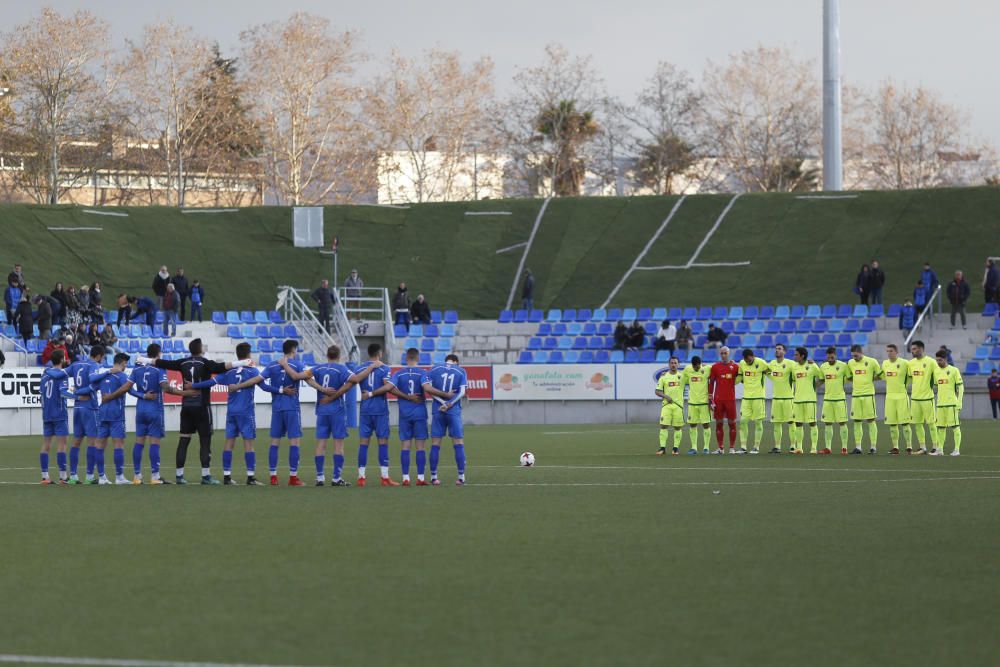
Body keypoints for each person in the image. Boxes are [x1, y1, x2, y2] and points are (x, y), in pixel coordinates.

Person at [142, 338, 251, 484]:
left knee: (184, 440)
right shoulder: (205, 363)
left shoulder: (182, 362)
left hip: (186, 406)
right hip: (202, 406)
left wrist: (144, 359)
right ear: (200, 349)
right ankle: (206, 476)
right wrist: (242, 363)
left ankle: (179, 476)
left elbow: (162, 363)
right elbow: (222, 367)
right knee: (205, 440)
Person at [308, 345, 378, 486]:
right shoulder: (341, 369)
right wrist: (371, 368)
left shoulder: (318, 368)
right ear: (339, 356)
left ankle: (320, 478)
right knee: (338, 444)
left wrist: (321, 389)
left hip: (322, 410)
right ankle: (336, 478)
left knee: (321, 443)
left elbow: (305, 377)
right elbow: (355, 379)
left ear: (327, 355)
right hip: (337, 411)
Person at [129, 344, 195, 484]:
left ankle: (137, 476)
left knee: (139, 442)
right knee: (154, 442)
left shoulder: (137, 368)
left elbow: (128, 389)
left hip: (140, 408)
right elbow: (165, 387)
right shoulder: (159, 367)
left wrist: (142, 395)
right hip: (154, 408)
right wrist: (184, 393)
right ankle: (155, 476)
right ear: (158, 355)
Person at [390, 348, 447, 485]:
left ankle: (405, 478)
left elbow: (390, 388)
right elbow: (427, 388)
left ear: (406, 358)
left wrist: (406, 397)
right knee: (420, 446)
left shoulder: (398, 373)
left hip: (404, 413)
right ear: (418, 358)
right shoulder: (423, 373)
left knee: (405, 446)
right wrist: (445, 395)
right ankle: (420, 478)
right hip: (419, 413)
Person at [260, 340, 311, 486]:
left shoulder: (272, 365)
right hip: (292, 408)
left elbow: (261, 383)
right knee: (294, 442)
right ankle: (293, 477)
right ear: (294, 350)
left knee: (274, 442)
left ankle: (273, 477)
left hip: (277, 408)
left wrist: (278, 390)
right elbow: (306, 379)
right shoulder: (297, 365)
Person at [92, 353, 136, 485]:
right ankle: (119, 477)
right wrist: (144, 395)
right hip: (116, 415)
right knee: (118, 445)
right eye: (126, 363)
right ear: (122, 363)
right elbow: (131, 391)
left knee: (99, 445)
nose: (126, 366)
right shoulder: (122, 376)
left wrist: (76, 393)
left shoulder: (104, 375)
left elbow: (91, 388)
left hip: (102, 413)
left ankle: (101, 477)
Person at [355, 343, 395, 486]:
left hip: (365, 410)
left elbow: (354, 381)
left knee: (363, 443)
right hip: (380, 410)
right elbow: (387, 386)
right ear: (380, 353)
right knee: (383, 442)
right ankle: (384, 478)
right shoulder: (384, 368)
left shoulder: (360, 368)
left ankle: (361, 477)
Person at [66, 345, 106, 484]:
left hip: (77, 407)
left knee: (76, 442)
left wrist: (72, 391)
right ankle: (89, 476)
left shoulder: (76, 364)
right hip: (89, 406)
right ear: (99, 356)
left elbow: (63, 374)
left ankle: (73, 476)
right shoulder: (94, 365)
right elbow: (93, 381)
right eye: (103, 357)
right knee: (93, 442)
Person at [428, 354, 468, 485]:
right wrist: (449, 404)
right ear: (456, 362)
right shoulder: (461, 371)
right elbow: (462, 392)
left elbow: (429, 389)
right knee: (458, 443)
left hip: (438, 410)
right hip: (453, 410)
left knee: (435, 444)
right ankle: (461, 477)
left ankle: (434, 477)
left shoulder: (435, 369)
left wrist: (442, 403)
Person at [39, 350, 75, 485]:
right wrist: (77, 397)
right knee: (62, 445)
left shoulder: (44, 375)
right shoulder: (62, 375)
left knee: (46, 444)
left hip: (46, 414)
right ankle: (63, 477)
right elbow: (63, 393)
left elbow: (41, 393)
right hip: (59, 414)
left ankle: (45, 477)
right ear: (62, 359)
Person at [846, 344, 883, 454]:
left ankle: (873, 447)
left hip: (868, 395)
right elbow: (849, 377)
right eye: (853, 356)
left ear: (861, 352)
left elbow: (880, 375)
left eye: (856, 356)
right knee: (857, 421)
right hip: (856, 395)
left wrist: (869, 379)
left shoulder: (872, 361)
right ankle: (858, 447)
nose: (854, 358)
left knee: (870, 420)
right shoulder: (850, 363)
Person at [907, 340, 938, 455]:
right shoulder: (910, 363)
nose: (912, 351)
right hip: (915, 399)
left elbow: (937, 377)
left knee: (931, 423)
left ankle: (935, 446)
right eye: (912, 349)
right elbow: (910, 379)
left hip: (927, 398)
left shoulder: (931, 362)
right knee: (917, 424)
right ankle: (922, 447)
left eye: (914, 349)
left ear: (921, 349)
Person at [931, 350, 963, 457]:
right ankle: (940, 449)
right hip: (940, 404)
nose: (938, 362)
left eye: (940, 360)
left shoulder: (954, 370)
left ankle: (957, 449)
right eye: (937, 360)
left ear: (945, 359)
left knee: (955, 427)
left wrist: (959, 401)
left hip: (951, 404)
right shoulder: (936, 371)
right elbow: (937, 385)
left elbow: (961, 387)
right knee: (940, 428)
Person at [882, 344, 913, 455]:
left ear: (896, 351)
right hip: (889, 396)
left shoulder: (905, 363)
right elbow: (883, 376)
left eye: (891, 351)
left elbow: (911, 376)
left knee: (905, 423)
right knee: (892, 423)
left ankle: (909, 446)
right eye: (887, 351)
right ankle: (895, 447)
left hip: (901, 396)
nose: (889, 353)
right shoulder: (885, 364)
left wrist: (905, 386)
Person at [790, 347, 822, 455]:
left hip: (810, 399)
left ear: (802, 356)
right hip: (798, 399)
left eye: (796, 355)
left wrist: (815, 386)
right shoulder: (794, 368)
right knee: (798, 424)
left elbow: (821, 376)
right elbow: (794, 381)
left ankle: (813, 448)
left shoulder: (812, 366)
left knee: (812, 423)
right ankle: (799, 448)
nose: (794, 356)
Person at [737, 348, 769, 454]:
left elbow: (771, 371)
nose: (747, 362)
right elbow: (740, 377)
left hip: (758, 397)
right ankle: (743, 447)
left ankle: (756, 447)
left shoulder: (761, 363)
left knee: (758, 422)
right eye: (746, 361)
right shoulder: (742, 363)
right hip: (746, 398)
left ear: (753, 356)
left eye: (749, 360)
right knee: (743, 421)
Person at [708, 346, 739, 454]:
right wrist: (710, 397)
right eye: (722, 353)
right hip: (718, 400)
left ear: (729, 354)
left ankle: (731, 448)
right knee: (719, 423)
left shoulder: (735, 367)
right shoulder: (715, 367)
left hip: (730, 399)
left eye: (725, 353)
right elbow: (711, 382)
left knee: (732, 423)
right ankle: (720, 448)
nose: (723, 355)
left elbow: (743, 376)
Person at [819, 347, 848, 455]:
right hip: (827, 399)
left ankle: (844, 448)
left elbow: (850, 377)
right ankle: (828, 448)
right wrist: (812, 388)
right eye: (828, 357)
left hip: (840, 399)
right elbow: (821, 380)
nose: (830, 359)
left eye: (832, 357)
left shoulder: (843, 366)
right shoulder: (823, 366)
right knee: (827, 423)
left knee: (842, 423)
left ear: (836, 355)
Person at [681, 355, 712, 453]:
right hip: (692, 403)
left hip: (704, 403)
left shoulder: (707, 369)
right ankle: (694, 447)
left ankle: (706, 448)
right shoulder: (687, 369)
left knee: (706, 425)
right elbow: (680, 377)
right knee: (692, 425)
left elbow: (718, 369)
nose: (695, 368)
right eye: (694, 367)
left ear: (700, 364)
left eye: (697, 366)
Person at [655, 356, 685, 456]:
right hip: (666, 405)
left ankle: (675, 449)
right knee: (664, 426)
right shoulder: (663, 377)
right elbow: (657, 391)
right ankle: (662, 448)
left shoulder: (683, 376)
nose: (673, 365)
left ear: (678, 365)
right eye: (671, 363)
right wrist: (666, 396)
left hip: (678, 406)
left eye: (675, 363)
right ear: (669, 364)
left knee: (678, 427)